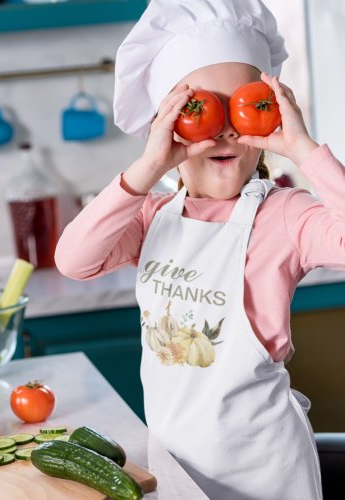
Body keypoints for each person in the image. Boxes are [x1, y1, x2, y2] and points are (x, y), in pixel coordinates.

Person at [55, 0, 345, 498]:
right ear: (165, 123)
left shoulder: (284, 215)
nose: (227, 127)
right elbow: (74, 260)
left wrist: (303, 148)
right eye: (200, 110)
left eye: (244, 105)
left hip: (268, 471)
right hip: (175, 469)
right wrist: (146, 169)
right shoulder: (152, 217)